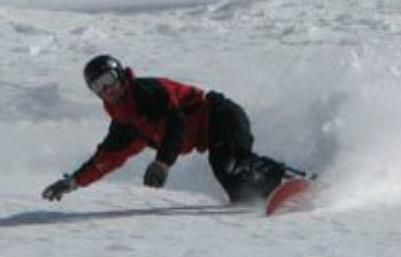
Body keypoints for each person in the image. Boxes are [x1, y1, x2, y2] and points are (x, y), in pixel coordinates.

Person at [42, 54, 291, 203]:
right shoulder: (125, 124)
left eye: (109, 80)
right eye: (98, 87)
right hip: (208, 134)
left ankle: (290, 179)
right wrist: (73, 182)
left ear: (121, 76)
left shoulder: (148, 93)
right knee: (235, 187)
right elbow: (105, 159)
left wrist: (162, 163)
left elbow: (175, 125)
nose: (107, 90)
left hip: (220, 114)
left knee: (229, 162)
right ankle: (272, 198)